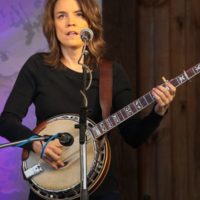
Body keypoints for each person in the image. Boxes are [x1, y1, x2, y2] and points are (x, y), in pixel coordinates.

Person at [0, 0, 176, 199]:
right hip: (49, 189)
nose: (70, 22)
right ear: (52, 25)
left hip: (100, 190)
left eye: (79, 14)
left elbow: (133, 137)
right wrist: (36, 143)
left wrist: (158, 112)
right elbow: (6, 122)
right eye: (61, 16)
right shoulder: (37, 67)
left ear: (90, 22)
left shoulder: (111, 73)